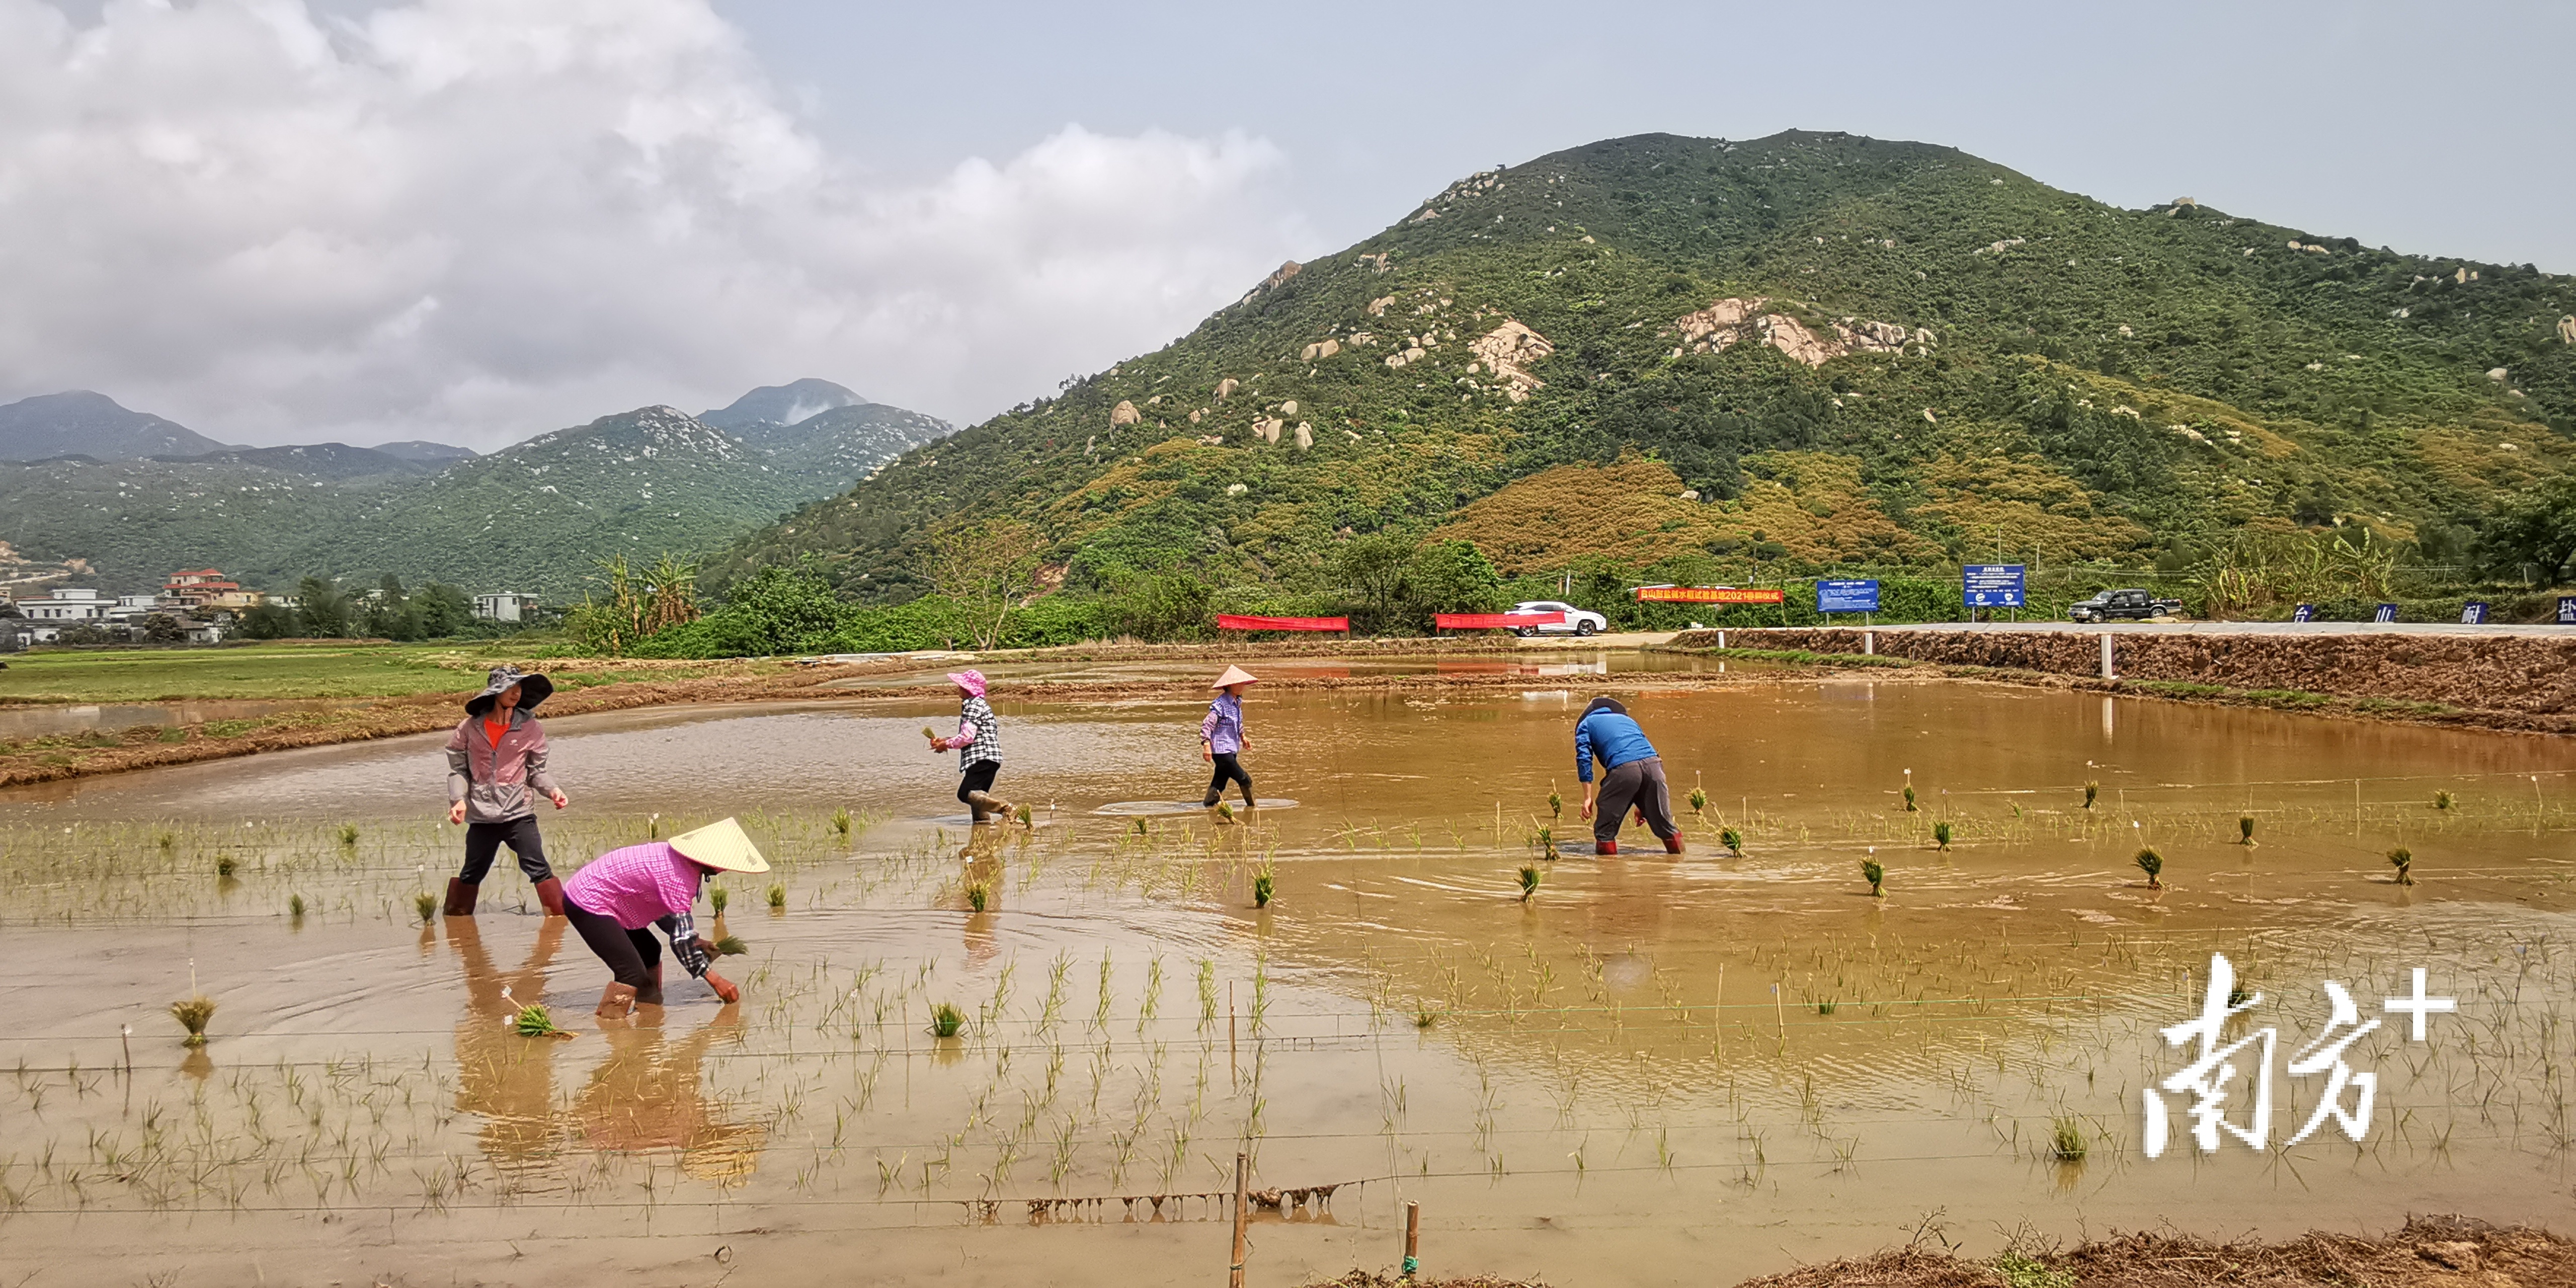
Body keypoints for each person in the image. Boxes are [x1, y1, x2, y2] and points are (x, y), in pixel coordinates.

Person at [560, 817, 758, 1018]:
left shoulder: (678, 859)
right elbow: (681, 942)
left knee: (650, 951)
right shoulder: (680, 878)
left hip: (613, 899)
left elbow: (665, 910)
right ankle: (611, 1024)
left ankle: (650, 1012)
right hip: (587, 901)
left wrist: (696, 941)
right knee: (631, 973)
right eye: (725, 864)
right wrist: (715, 979)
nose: (725, 869)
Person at [443, 665, 569, 916]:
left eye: (519, 688)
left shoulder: (530, 727)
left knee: (538, 868)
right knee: (472, 872)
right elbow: (459, 771)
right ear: (494, 693)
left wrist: (553, 790)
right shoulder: (469, 728)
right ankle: (455, 922)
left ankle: (561, 920)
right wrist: (458, 801)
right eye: (510, 688)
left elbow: (536, 772)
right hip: (482, 817)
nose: (516, 693)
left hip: (518, 814)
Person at [1574, 696, 1682, 856]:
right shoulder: (1629, 721)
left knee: (1605, 830)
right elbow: (1643, 754)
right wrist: (1644, 803)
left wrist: (1587, 797)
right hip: (1655, 767)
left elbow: (1584, 760)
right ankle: (1679, 866)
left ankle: (1608, 876)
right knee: (1666, 827)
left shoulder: (1586, 725)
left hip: (1624, 769)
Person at [929, 669, 1017, 824]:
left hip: (981, 758)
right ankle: (983, 829)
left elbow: (968, 737)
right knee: (978, 799)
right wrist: (946, 741)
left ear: (967, 689)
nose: (958, 690)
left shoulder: (973, 706)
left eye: (960, 687)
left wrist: (946, 744)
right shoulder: (978, 704)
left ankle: (1006, 808)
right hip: (989, 758)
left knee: (965, 794)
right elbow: (972, 735)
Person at [1200, 665, 1258, 820]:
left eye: (1243, 683)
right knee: (1244, 779)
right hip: (1221, 750)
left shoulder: (1236, 702)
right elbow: (1208, 724)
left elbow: (1237, 723)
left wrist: (1243, 737)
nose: (1242, 686)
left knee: (1219, 783)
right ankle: (1253, 810)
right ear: (1229, 685)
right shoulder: (1221, 704)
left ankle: (1208, 807)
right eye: (1238, 683)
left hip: (1230, 748)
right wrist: (1207, 745)